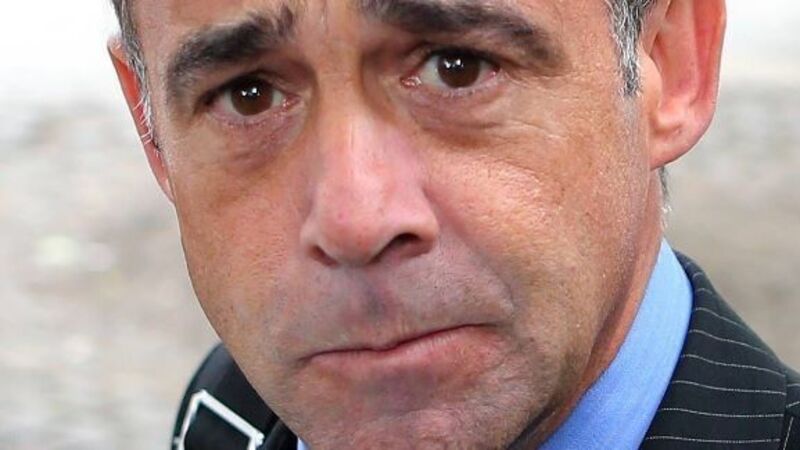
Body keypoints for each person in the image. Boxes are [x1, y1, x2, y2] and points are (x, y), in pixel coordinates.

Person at [106, 0, 799, 448]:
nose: (354, 221)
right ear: (152, 130)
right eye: (249, 95)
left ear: (671, 65)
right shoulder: (229, 410)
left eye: (457, 69)